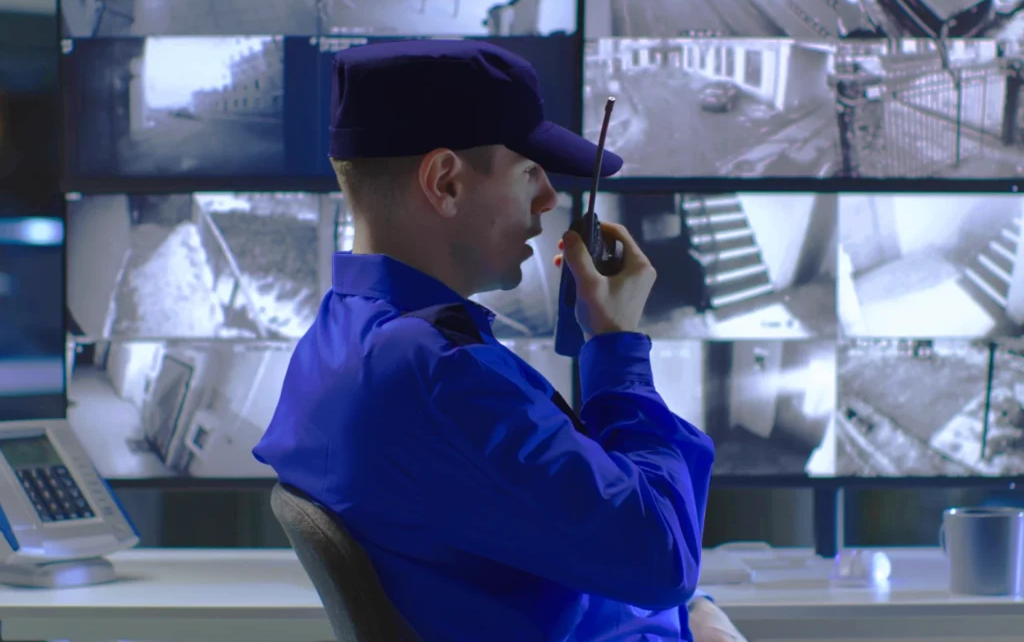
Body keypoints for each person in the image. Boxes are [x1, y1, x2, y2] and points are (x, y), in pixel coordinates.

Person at [253, 39, 748, 642]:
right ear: (446, 183)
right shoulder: (441, 378)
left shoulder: (337, 338)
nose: (549, 199)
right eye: (529, 172)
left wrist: (687, 607)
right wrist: (617, 347)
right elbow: (663, 561)